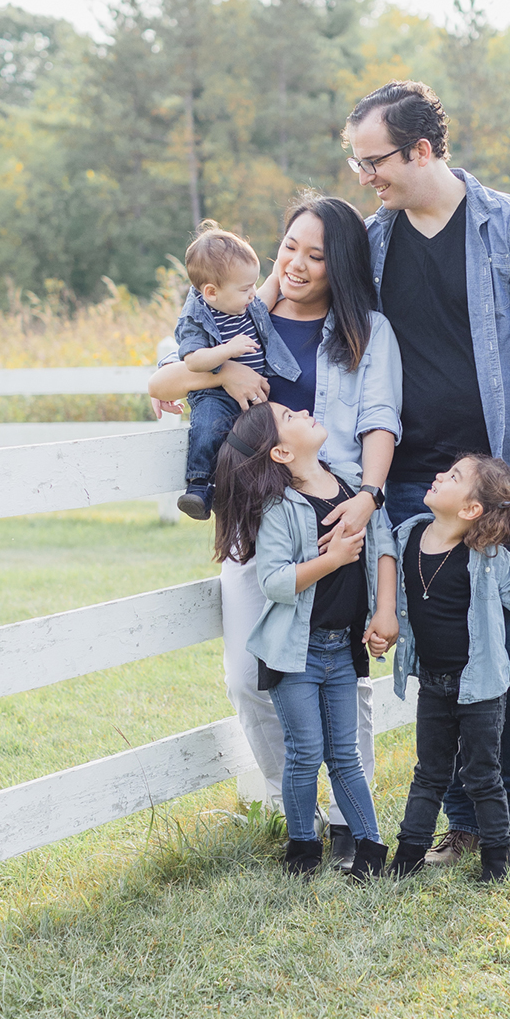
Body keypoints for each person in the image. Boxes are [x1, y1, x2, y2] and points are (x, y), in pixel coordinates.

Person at [345, 80, 510, 873]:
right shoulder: (373, 244)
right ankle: (467, 824)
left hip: (506, 483)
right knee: (445, 660)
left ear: (421, 148)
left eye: (372, 158)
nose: (363, 174)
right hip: (418, 486)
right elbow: (297, 294)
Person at [151, 195, 401, 840]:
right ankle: (301, 814)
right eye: (290, 245)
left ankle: (352, 819)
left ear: (339, 265)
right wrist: (225, 375)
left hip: (334, 513)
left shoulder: (366, 331)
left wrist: (367, 497)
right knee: (247, 676)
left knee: (344, 680)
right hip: (253, 517)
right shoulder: (237, 315)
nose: (296, 263)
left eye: (316, 255)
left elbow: (380, 420)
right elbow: (164, 382)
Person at [210, 403, 387, 879]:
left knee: (344, 754)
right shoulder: (279, 508)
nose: (305, 410)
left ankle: (370, 850)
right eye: (290, 415)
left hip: (342, 649)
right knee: (305, 753)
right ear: (282, 451)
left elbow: (382, 548)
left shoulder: (351, 488)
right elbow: (271, 581)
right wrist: (333, 559)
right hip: (295, 654)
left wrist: (382, 611)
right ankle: (303, 851)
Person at [365, 453, 510, 882]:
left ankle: (495, 864)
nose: (439, 476)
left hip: (481, 690)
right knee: (428, 774)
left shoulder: (486, 557)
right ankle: (406, 860)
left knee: (483, 775)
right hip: (432, 685)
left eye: (453, 477)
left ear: (470, 510)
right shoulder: (407, 536)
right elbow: (387, 593)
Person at [169, 220, 289, 521]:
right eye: (246, 288)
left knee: (254, 445)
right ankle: (199, 486)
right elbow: (193, 361)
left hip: (254, 394)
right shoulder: (197, 316)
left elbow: (271, 286)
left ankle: (246, 493)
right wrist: (228, 352)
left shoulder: (245, 304)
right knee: (208, 428)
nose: (253, 294)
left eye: (254, 285)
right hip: (215, 393)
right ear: (211, 292)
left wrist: (284, 265)